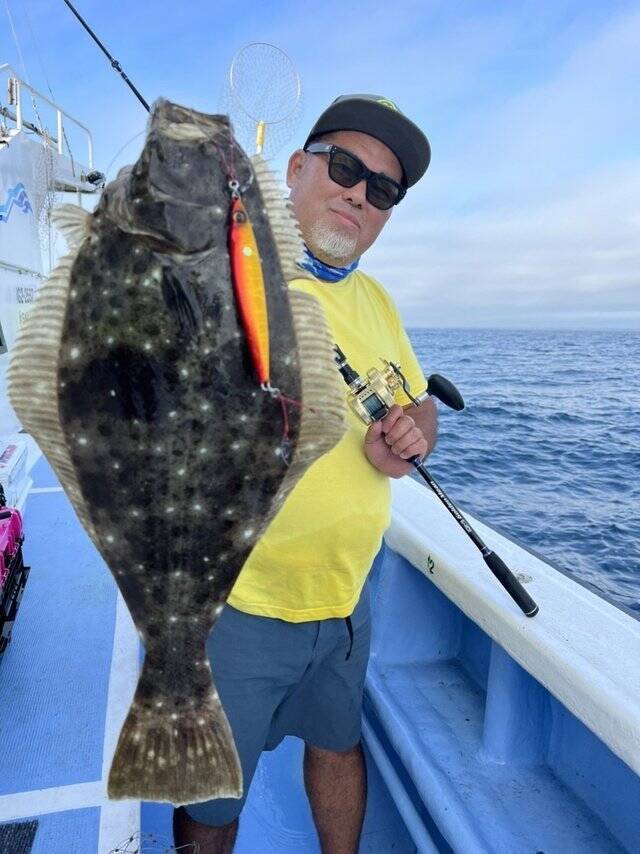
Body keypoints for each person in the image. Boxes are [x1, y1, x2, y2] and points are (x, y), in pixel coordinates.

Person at [173, 94, 437, 854]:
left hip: (347, 600)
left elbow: (417, 399)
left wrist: (416, 430)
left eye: (383, 188)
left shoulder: (378, 301)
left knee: (338, 742)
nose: (360, 192)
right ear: (296, 168)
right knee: (212, 800)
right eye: (347, 166)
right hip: (238, 606)